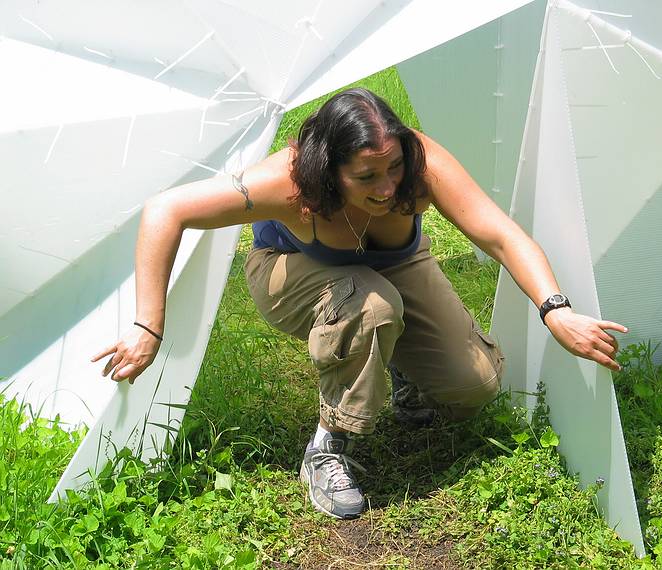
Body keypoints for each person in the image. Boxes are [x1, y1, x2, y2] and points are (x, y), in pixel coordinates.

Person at [92, 87, 626, 520]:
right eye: (366, 177)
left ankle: (394, 364)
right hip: (293, 271)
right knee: (372, 307)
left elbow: (501, 236)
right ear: (328, 169)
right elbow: (166, 211)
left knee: (476, 384)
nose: (388, 186)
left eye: (393, 167)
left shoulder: (420, 165)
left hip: (394, 265)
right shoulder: (288, 183)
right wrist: (148, 325)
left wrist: (556, 309)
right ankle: (328, 447)